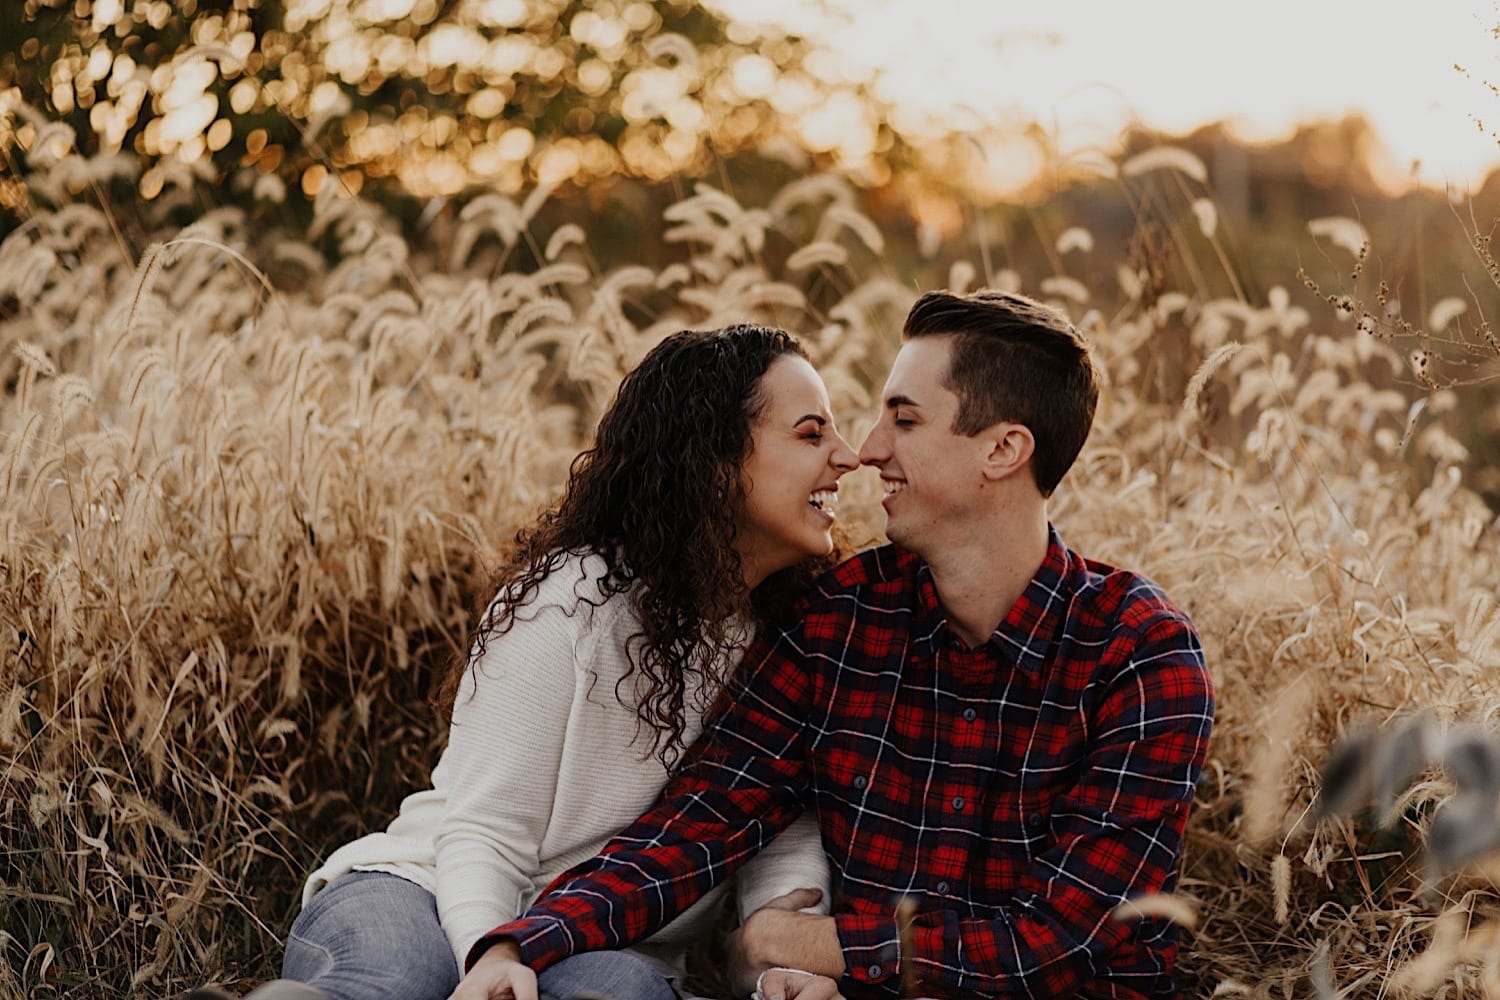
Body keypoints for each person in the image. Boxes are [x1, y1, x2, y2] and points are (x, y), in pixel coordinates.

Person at [454, 289, 1216, 1000]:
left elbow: (1055, 946)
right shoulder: (841, 620)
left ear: (1003, 450)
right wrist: (520, 946)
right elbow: (695, 827)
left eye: (905, 420)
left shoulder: (1140, 654)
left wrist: (802, 942)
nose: (869, 450)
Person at [201, 325, 858, 1000]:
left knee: (619, 994)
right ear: (716, 461)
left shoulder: (796, 642)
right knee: (390, 983)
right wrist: (490, 957)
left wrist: (788, 972)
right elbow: (486, 831)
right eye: (811, 434)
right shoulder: (577, 597)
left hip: (609, 945)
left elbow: (779, 852)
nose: (849, 455)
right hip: (430, 892)